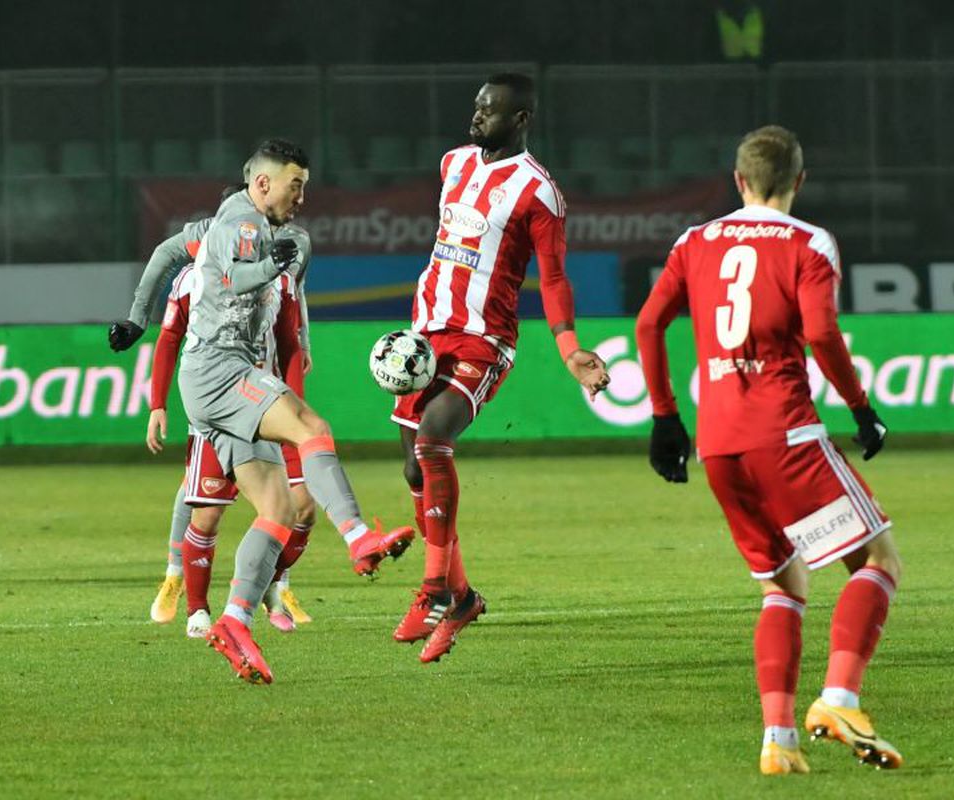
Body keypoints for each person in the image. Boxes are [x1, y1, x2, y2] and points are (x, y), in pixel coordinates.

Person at [634, 125, 903, 775]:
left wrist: (666, 419)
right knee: (877, 558)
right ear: (799, 181)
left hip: (720, 445)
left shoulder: (694, 241)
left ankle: (779, 744)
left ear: (738, 179)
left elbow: (648, 324)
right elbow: (822, 334)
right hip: (783, 435)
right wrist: (862, 408)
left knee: (783, 584)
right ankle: (839, 700)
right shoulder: (808, 243)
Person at [129, 138, 412, 684]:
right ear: (262, 184)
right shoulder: (240, 221)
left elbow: (168, 251)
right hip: (219, 370)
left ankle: (234, 622)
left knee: (278, 511)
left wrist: (134, 317)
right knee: (312, 426)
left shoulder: (254, 229)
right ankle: (357, 537)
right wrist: (268, 269)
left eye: (304, 184)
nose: (301, 195)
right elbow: (237, 278)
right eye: (295, 184)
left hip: (222, 378)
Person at [390, 73, 610, 663]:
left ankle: (437, 586)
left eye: (490, 111)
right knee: (414, 470)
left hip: (484, 341)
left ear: (520, 120)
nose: (476, 117)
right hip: (424, 336)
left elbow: (555, 277)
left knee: (435, 438)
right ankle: (461, 598)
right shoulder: (453, 164)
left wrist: (569, 349)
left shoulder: (540, 193)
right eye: (476, 106)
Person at [142, 203, 316, 636]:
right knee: (204, 508)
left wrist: (295, 408)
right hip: (217, 404)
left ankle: (276, 587)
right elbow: (168, 339)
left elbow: (289, 344)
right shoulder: (192, 279)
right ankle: (188, 595)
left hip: (267, 407)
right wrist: (157, 404)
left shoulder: (279, 277)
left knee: (301, 507)